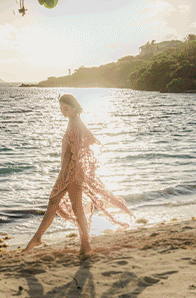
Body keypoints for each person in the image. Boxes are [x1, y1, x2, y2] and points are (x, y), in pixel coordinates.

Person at [24, 94, 133, 256]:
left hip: (71, 173)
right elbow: (86, 143)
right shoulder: (75, 122)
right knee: (67, 206)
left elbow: (77, 150)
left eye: (66, 109)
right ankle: (79, 244)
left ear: (74, 107)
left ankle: (44, 239)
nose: (63, 112)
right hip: (71, 172)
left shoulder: (75, 124)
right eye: (61, 109)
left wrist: (68, 173)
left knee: (58, 203)